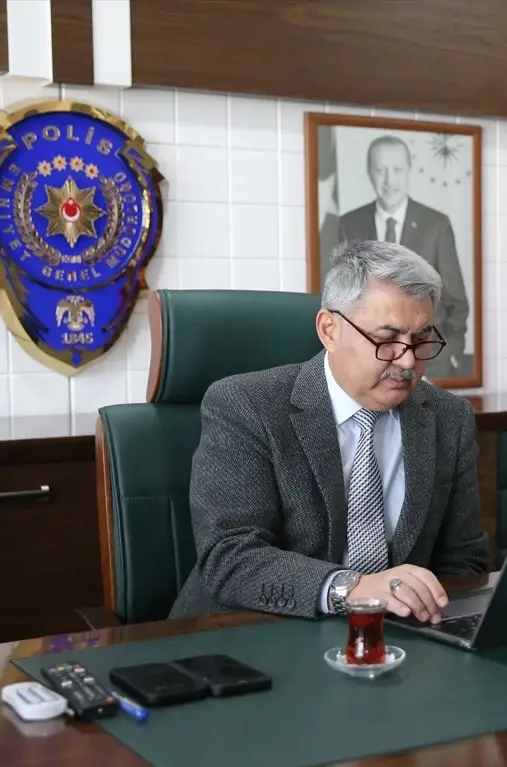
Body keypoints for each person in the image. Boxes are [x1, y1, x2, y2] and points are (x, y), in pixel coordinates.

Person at [168, 240, 490, 623]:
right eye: (386, 339)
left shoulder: (447, 417)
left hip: (395, 644)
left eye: (420, 340)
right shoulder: (245, 405)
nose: (407, 360)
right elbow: (231, 557)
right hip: (251, 635)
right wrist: (350, 588)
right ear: (329, 329)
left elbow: (463, 560)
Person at [337, 135, 471, 380]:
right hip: (369, 365)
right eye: (381, 169)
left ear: (408, 171)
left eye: (397, 169)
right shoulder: (349, 224)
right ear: (369, 172)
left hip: (427, 362)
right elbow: (344, 300)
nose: (389, 180)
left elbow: (457, 302)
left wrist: (448, 352)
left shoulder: (436, 225)